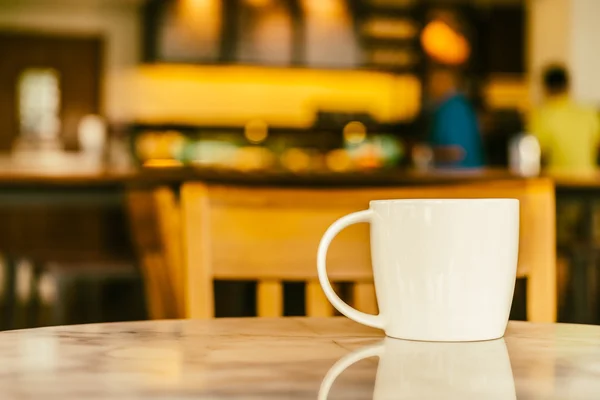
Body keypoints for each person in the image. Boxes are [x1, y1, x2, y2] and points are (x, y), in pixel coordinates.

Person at [529, 64, 600, 171]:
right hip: (589, 181)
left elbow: (535, 153)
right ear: (568, 86)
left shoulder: (543, 116)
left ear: (545, 88)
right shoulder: (588, 113)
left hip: (557, 182)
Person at [427, 67, 484, 168]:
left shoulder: (453, 108)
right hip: (462, 175)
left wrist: (426, 153)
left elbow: (457, 153)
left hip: (461, 177)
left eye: (434, 81)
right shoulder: (457, 105)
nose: (430, 86)